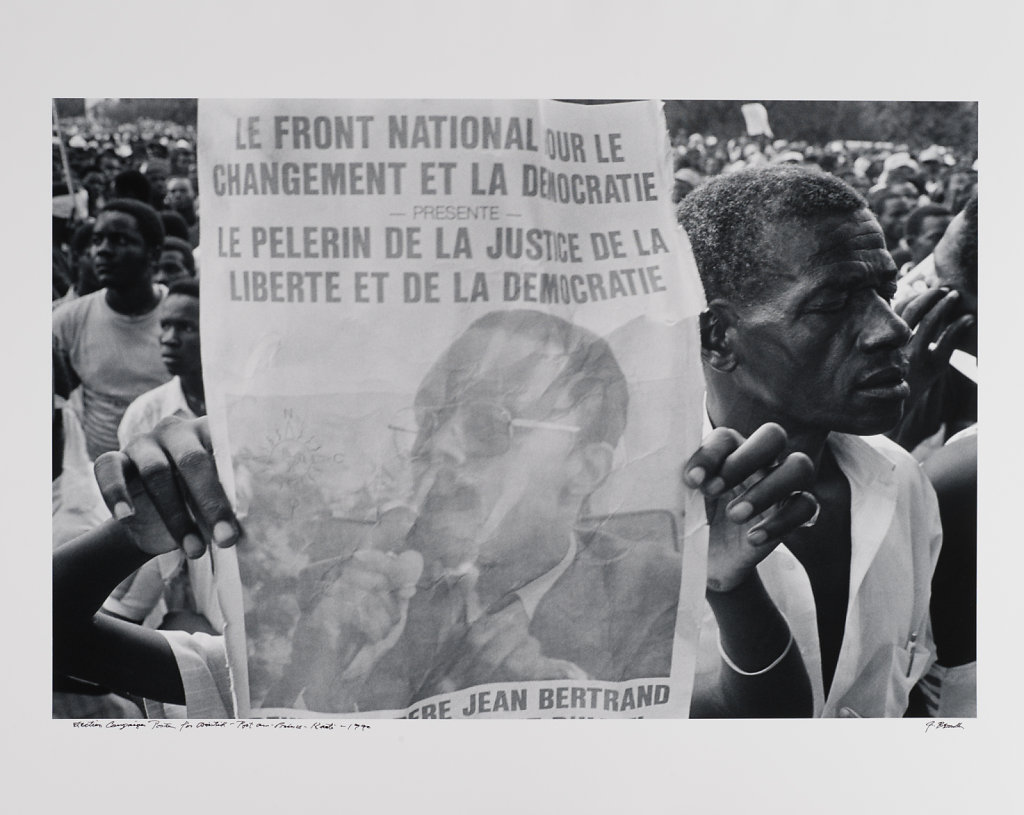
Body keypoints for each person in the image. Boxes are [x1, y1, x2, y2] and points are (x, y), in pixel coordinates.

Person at [55, 310, 821, 719]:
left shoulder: (649, 584)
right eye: (430, 420)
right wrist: (139, 532)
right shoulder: (341, 602)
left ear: (586, 470)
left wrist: (733, 589)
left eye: (488, 424)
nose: (442, 449)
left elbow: (769, 725)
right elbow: (44, 639)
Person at [678, 165, 944, 717]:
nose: (891, 328)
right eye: (830, 303)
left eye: (884, 292)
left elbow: (910, 692)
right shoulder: (633, 516)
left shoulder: (901, 482)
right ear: (717, 337)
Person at [52, 199, 172, 460]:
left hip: (175, 471)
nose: (102, 251)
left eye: (119, 240)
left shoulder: (181, 318)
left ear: (152, 253)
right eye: (97, 240)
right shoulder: (67, 321)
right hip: (103, 479)